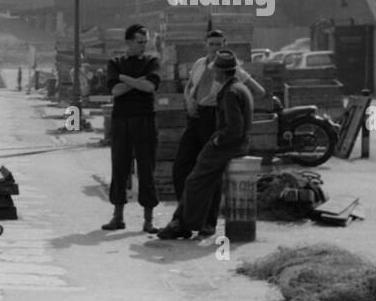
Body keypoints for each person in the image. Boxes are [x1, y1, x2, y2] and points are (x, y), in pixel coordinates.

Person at [167, 30, 266, 229]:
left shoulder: (231, 70)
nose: (215, 48)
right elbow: (189, 87)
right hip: (194, 116)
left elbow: (259, 91)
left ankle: (208, 222)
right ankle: (185, 214)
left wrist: (235, 107)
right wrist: (189, 102)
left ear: (225, 45)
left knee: (210, 171)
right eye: (212, 44)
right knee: (181, 167)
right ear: (205, 44)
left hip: (214, 118)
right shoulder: (199, 64)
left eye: (219, 45)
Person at [157, 50, 252, 239]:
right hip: (237, 144)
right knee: (201, 181)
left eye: (215, 70)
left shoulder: (230, 93)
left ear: (221, 72)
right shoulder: (239, 88)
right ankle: (188, 222)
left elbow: (235, 129)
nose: (213, 73)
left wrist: (216, 140)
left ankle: (182, 224)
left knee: (194, 181)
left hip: (228, 146)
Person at [102, 24, 161, 232]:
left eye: (145, 42)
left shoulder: (151, 62)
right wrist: (136, 81)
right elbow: (115, 91)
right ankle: (117, 217)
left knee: (147, 168)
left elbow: (150, 86)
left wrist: (125, 79)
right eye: (139, 42)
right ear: (128, 41)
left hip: (145, 119)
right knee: (119, 167)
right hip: (121, 120)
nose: (143, 46)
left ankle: (148, 220)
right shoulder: (115, 63)